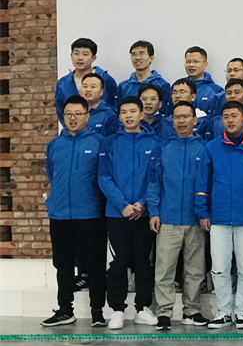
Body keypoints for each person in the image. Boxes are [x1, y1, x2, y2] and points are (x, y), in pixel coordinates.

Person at [196, 101, 243, 329]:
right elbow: (202, 184)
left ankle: (242, 312)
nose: (230, 120)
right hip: (218, 219)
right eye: (225, 116)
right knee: (219, 268)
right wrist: (202, 212)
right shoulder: (212, 148)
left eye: (234, 116)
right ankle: (224, 311)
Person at [41, 96, 107, 327]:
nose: (73, 118)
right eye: (68, 114)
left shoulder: (99, 142)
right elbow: (52, 174)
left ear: (87, 116)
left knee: (95, 265)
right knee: (63, 265)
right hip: (60, 215)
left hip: (90, 214)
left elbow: (103, 177)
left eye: (78, 114)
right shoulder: (55, 145)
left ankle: (97, 312)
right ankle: (64, 310)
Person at [97, 96, 160, 329]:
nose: (128, 116)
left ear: (142, 114)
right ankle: (117, 310)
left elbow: (155, 179)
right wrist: (123, 204)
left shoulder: (154, 143)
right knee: (119, 261)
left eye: (133, 111)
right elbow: (104, 177)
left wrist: (142, 204)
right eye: (124, 112)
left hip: (143, 214)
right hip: (117, 214)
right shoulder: (109, 143)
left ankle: (143, 308)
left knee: (143, 261)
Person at [147, 100, 209, 331]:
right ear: (172, 122)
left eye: (185, 117)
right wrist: (154, 212)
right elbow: (154, 182)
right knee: (164, 269)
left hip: (195, 219)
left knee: (195, 269)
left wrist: (205, 212)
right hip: (168, 218)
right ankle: (163, 313)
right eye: (177, 117)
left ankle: (192, 310)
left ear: (195, 120)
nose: (181, 121)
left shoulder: (204, 149)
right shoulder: (162, 148)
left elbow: (208, 184)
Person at [55, 37, 118, 124]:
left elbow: (113, 106)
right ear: (71, 56)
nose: (80, 58)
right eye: (76, 53)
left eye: (85, 54)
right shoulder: (62, 83)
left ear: (93, 58)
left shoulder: (106, 79)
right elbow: (61, 112)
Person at [116, 40, 172, 114]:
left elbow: (166, 112)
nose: (137, 58)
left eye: (141, 53)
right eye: (134, 54)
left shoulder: (163, 85)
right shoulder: (123, 86)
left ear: (151, 58)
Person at [183, 46, 224, 118]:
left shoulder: (217, 91)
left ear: (205, 65)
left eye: (196, 61)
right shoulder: (178, 88)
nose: (191, 65)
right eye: (188, 62)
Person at [80, 73, 119, 137]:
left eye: (93, 87)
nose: (88, 90)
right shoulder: (73, 112)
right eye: (85, 86)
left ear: (101, 92)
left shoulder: (109, 115)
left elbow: (110, 140)